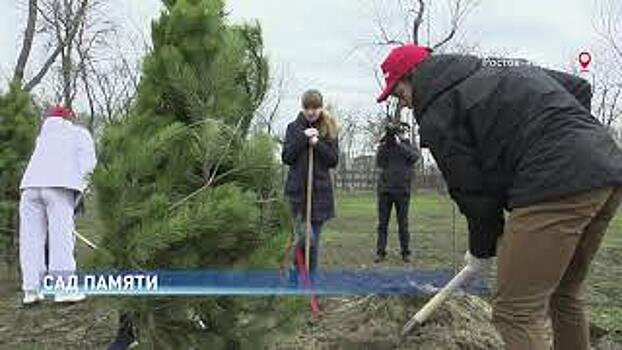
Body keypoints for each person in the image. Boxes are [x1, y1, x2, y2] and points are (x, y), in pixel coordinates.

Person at [376, 44, 622, 350]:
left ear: (414, 77)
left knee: (514, 312)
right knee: (563, 293)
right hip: (606, 167)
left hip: (554, 184)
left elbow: (473, 192)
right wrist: (577, 144)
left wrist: (481, 249)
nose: (407, 105)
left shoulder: (438, 109)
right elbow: (578, 87)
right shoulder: (494, 67)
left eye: (400, 94)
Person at [19, 105, 97, 305]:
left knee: (31, 239)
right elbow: (88, 163)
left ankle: (32, 290)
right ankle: (63, 290)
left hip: (29, 188)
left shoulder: (42, 138)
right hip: (59, 187)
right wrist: (80, 189)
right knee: (61, 238)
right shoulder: (78, 133)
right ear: (69, 119)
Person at [282, 89, 339, 283]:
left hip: (319, 197)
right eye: (307, 107)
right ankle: (294, 280)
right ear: (303, 107)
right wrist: (303, 138)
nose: (311, 111)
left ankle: (310, 285)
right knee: (302, 241)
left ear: (320, 108)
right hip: (297, 195)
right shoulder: (293, 128)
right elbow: (287, 157)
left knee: (312, 244)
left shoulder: (328, 129)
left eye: (315, 107)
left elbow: (333, 160)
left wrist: (317, 143)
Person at [375, 121, 420, 263]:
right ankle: (380, 252)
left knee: (403, 224)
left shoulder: (407, 146)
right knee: (382, 224)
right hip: (385, 190)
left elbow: (414, 158)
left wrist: (400, 144)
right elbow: (379, 162)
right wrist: (385, 144)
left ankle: (405, 252)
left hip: (402, 190)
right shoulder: (385, 146)